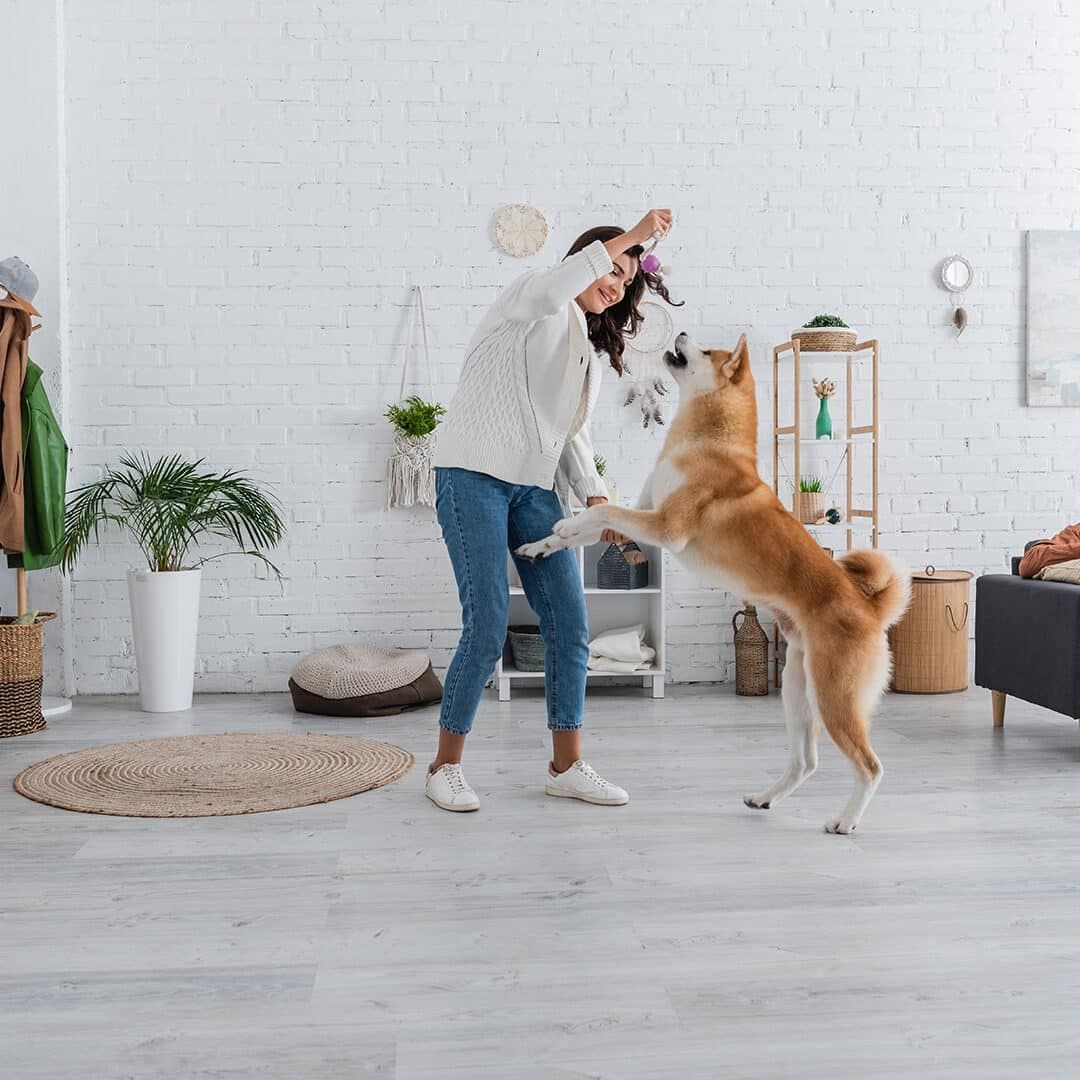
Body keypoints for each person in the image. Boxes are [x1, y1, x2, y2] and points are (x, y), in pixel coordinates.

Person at [426, 209, 679, 812]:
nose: (616, 282)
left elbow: (573, 438)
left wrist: (598, 501)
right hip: (473, 476)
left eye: (626, 278)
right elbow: (555, 285)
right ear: (584, 262)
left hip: (535, 492)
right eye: (610, 268)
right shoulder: (532, 298)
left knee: (571, 625)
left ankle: (566, 765)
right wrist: (637, 236)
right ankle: (444, 767)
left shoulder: (588, 355)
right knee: (486, 626)